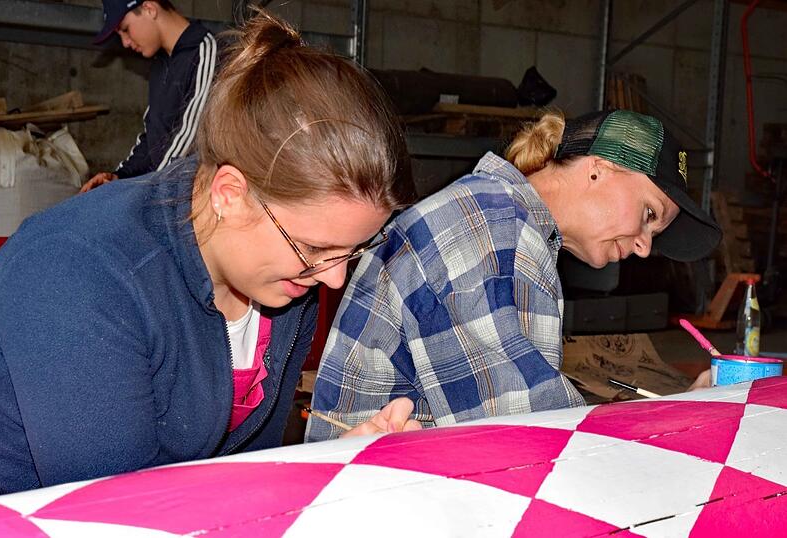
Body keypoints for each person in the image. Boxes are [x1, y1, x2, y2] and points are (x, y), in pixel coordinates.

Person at [0, 14, 416, 520]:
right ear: (231, 193)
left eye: (350, 253)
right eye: (316, 249)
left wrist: (339, 461)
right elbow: (120, 514)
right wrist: (313, 484)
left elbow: (242, 475)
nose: (334, 279)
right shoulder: (87, 271)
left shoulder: (284, 282)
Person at [306, 109, 722, 441]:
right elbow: (526, 440)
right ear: (599, 169)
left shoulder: (504, 219)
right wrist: (669, 421)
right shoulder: (488, 229)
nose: (645, 246)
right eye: (649, 214)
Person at [79, 0, 219, 193]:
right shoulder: (161, 64)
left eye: (125, 29)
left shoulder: (206, 52)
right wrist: (119, 177)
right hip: (160, 190)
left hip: (190, 197)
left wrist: (131, 195)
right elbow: (152, 136)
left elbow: (187, 145)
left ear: (149, 9)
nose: (125, 42)